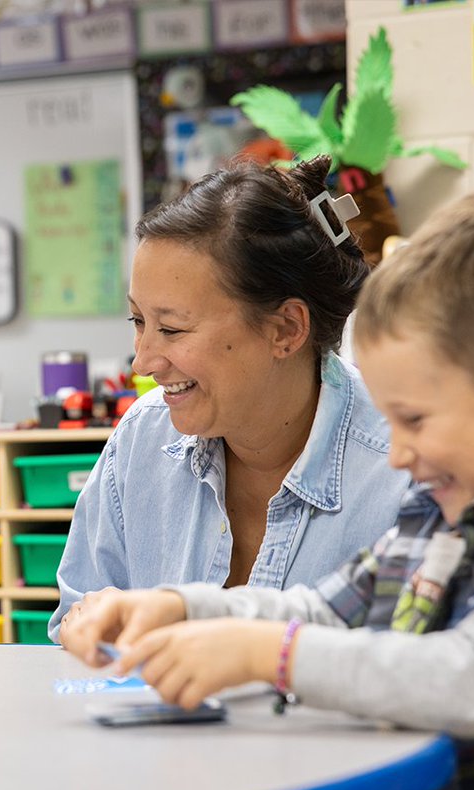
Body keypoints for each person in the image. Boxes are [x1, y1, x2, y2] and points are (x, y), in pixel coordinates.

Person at [60, 192, 474, 790]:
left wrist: (268, 653)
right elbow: (321, 611)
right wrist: (184, 609)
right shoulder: (444, 515)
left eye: (414, 420)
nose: (397, 453)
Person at [49, 155, 411, 640]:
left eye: (172, 329)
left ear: (286, 329)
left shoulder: (404, 468)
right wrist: (93, 625)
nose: (144, 361)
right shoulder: (142, 438)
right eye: (139, 322)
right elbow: (72, 625)